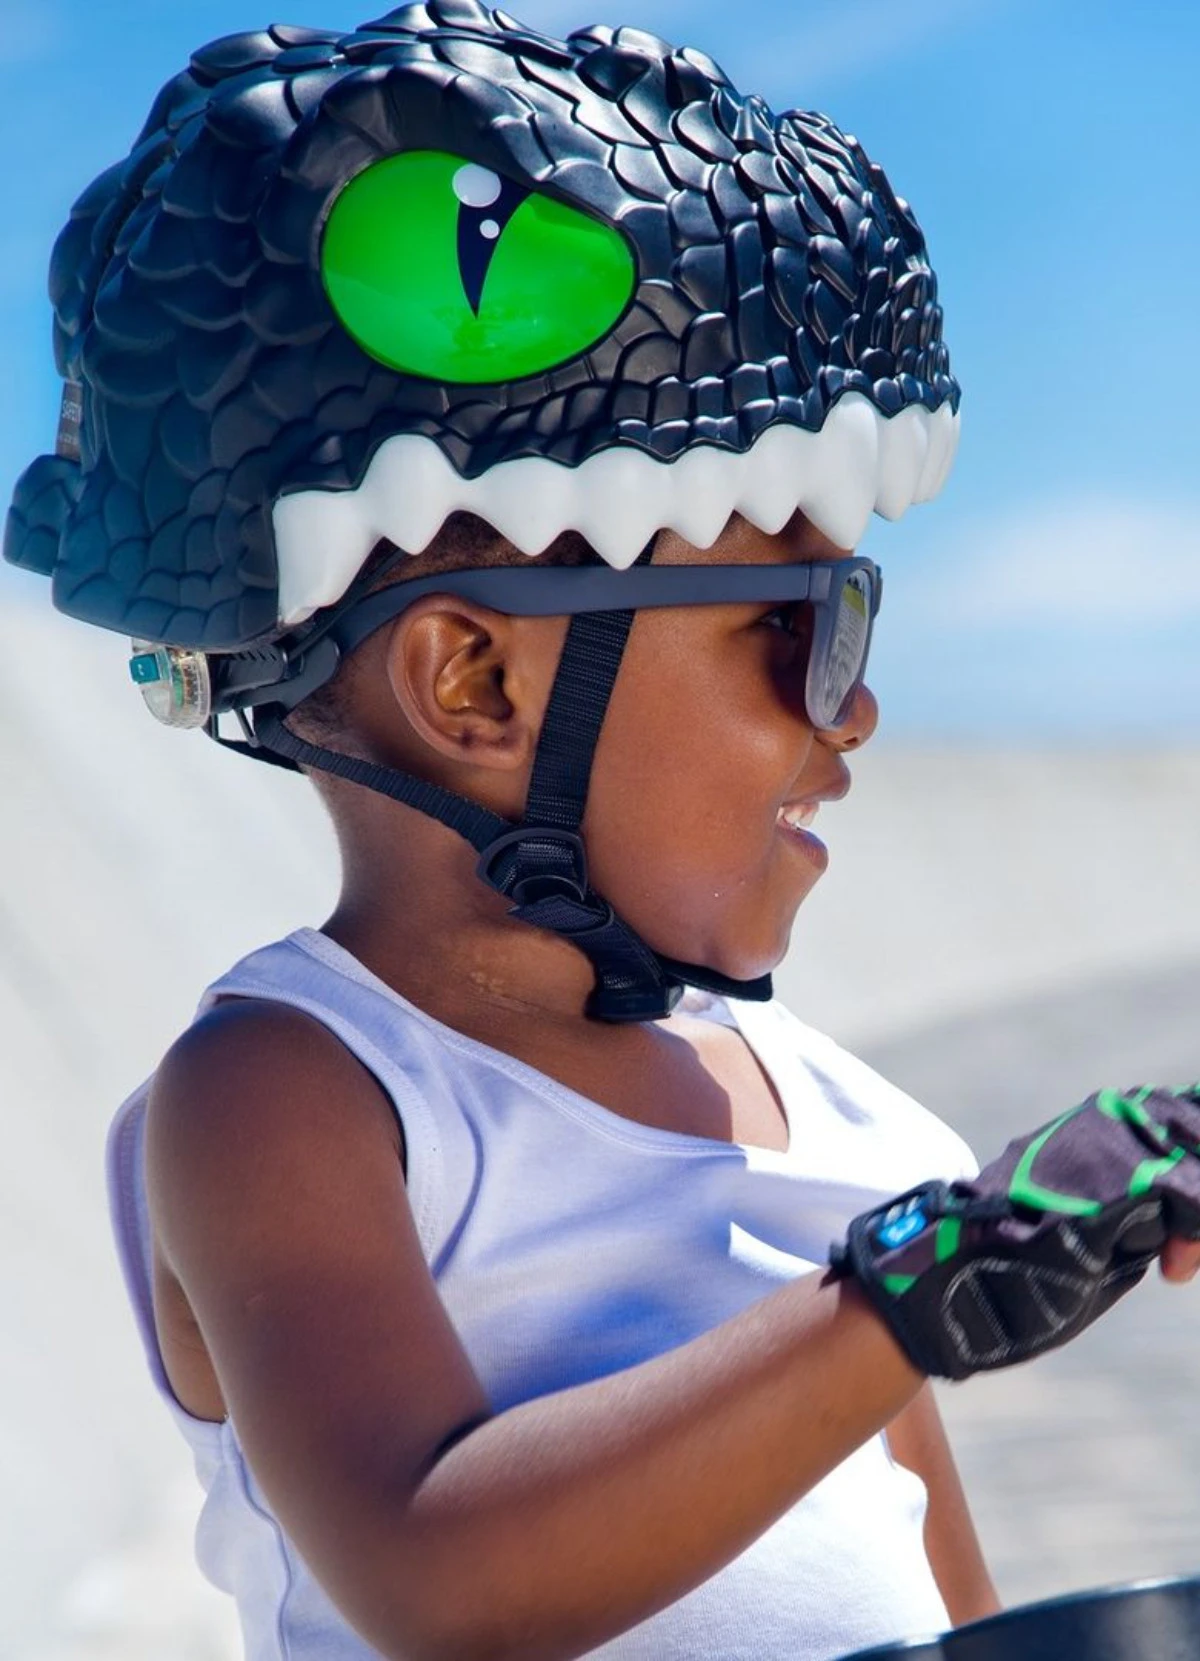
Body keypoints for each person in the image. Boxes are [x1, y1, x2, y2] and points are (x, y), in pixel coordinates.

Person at [9, 7, 1200, 1659]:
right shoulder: (297, 1093)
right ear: (476, 684)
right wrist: (915, 1290)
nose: (855, 711)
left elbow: (950, 1607)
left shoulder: (840, 1121)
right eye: (799, 629)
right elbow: (445, 1584)